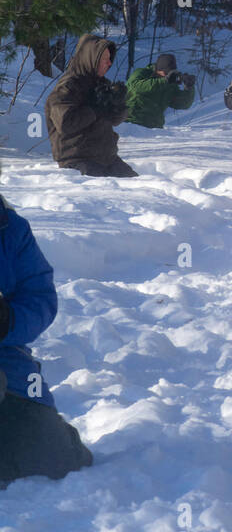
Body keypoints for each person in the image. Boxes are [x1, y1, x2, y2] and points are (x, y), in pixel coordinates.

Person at [0, 193, 93, 488]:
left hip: (8, 371)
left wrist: (8, 320)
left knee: (53, 459)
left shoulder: (10, 228)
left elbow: (39, 297)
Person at [45, 35, 137, 178]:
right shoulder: (68, 87)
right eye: (104, 59)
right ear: (91, 58)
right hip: (77, 160)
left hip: (107, 159)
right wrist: (95, 108)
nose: (109, 63)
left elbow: (114, 120)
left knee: (138, 187)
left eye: (110, 59)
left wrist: (119, 105)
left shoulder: (101, 83)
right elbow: (65, 123)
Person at [125, 53, 196, 129]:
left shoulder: (169, 84)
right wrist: (165, 80)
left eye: (170, 72)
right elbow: (137, 87)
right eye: (166, 73)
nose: (167, 75)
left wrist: (189, 87)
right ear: (158, 69)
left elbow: (183, 104)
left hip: (155, 128)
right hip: (131, 123)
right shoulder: (141, 73)